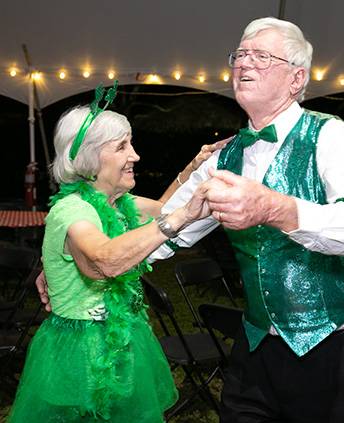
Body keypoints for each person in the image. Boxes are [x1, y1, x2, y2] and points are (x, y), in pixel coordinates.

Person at [150, 17, 344, 423]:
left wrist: (276, 209)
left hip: (335, 348)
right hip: (256, 347)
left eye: (261, 55)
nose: (244, 63)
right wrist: (85, 257)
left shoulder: (330, 135)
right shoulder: (224, 156)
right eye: (239, 55)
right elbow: (169, 230)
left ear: (297, 79)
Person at [7, 83, 214, 423]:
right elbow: (102, 260)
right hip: (80, 352)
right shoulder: (72, 210)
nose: (135, 155)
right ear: (90, 159)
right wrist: (178, 219)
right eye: (122, 147)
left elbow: (162, 206)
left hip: (124, 338)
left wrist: (193, 167)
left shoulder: (120, 205)